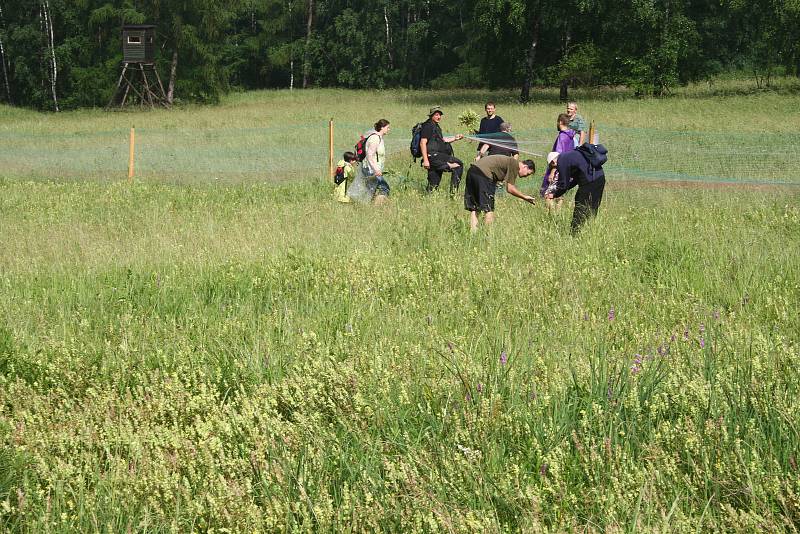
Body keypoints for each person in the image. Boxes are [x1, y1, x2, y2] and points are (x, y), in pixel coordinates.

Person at [464, 154, 536, 231]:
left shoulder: (509, 161)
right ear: (525, 167)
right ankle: (488, 235)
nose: (526, 176)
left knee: (475, 207)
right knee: (488, 208)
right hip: (483, 175)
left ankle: (473, 234)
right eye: (527, 174)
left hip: (472, 171)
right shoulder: (514, 164)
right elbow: (510, 188)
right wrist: (524, 197)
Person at [545, 147, 607, 234]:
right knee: (593, 208)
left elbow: (563, 184)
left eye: (554, 167)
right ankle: (591, 231)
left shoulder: (561, 161)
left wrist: (554, 194)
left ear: (553, 162)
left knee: (580, 206)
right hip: (600, 178)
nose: (556, 169)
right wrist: (561, 191)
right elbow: (575, 181)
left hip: (590, 182)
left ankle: (574, 234)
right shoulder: (570, 156)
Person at [420, 106, 465, 194]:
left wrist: (456, 138)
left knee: (433, 185)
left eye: (440, 115)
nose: (439, 117)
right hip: (433, 157)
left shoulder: (435, 126)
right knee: (458, 165)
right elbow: (422, 143)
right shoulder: (428, 126)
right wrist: (425, 160)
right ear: (431, 115)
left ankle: (429, 199)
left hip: (435, 157)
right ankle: (453, 194)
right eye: (436, 115)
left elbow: (443, 140)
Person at [349, 119, 391, 204]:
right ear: (382, 127)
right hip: (370, 168)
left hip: (372, 168)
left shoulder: (379, 138)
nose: (389, 129)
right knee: (384, 187)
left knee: (371, 188)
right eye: (388, 127)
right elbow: (369, 155)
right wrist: (376, 170)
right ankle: (377, 205)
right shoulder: (375, 138)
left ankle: (366, 204)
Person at [539, 113, 575, 197]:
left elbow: (557, 156)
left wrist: (552, 171)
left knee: (548, 195)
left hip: (558, 170)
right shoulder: (571, 137)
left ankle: (552, 210)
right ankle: (559, 210)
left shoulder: (562, 136)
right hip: (567, 169)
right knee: (560, 194)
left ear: (560, 122)